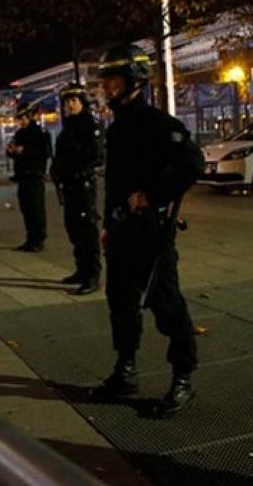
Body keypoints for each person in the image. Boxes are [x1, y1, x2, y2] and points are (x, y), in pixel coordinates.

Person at [94, 43, 204, 418]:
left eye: (112, 78)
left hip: (150, 233)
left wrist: (153, 196)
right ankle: (125, 369)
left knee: (167, 305)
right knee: (121, 304)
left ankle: (182, 378)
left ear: (133, 81)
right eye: (104, 79)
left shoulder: (158, 124)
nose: (105, 86)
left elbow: (192, 163)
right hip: (122, 233)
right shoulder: (117, 129)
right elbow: (115, 184)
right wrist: (108, 225)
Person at [51, 81, 102, 294]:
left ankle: (92, 275)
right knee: (73, 229)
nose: (70, 105)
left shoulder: (91, 126)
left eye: (73, 101)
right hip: (69, 186)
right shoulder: (68, 127)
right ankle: (81, 270)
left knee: (86, 231)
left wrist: (75, 159)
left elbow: (96, 156)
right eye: (67, 102)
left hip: (83, 185)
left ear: (82, 102)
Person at [6, 101, 51, 252]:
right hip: (22, 176)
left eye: (24, 117)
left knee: (36, 209)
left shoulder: (39, 132)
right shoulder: (19, 133)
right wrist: (11, 150)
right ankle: (30, 238)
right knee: (26, 209)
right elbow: (12, 151)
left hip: (34, 176)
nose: (22, 121)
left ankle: (38, 239)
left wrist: (24, 150)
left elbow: (44, 153)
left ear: (30, 116)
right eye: (20, 118)